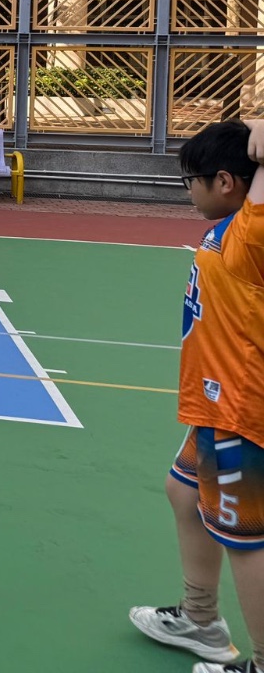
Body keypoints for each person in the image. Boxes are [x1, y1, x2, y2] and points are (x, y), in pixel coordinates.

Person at [130, 118, 264, 673]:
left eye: (192, 180)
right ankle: (201, 619)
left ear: (226, 182)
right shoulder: (233, 225)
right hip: (216, 402)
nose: (188, 191)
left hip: (240, 408)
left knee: (246, 540)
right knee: (183, 493)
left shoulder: (251, 236)